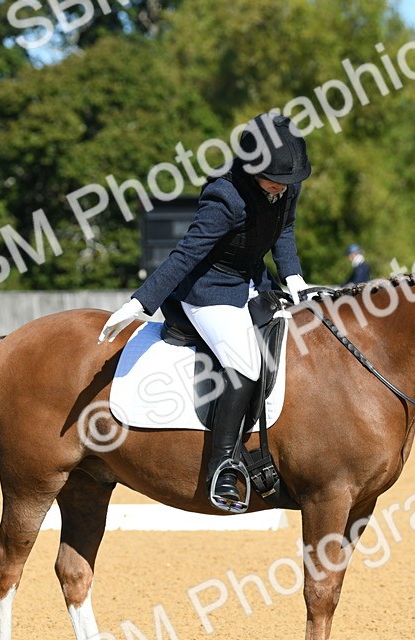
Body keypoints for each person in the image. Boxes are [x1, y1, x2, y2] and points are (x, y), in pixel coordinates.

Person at [98, 112, 312, 513]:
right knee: (246, 363)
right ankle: (224, 465)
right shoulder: (224, 198)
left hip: (253, 282)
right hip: (208, 289)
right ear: (251, 169)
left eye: (287, 183)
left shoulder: (284, 186)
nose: (280, 190)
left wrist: (295, 278)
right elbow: (186, 254)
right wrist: (140, 302)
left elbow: (282, 231)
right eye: (273, 181)